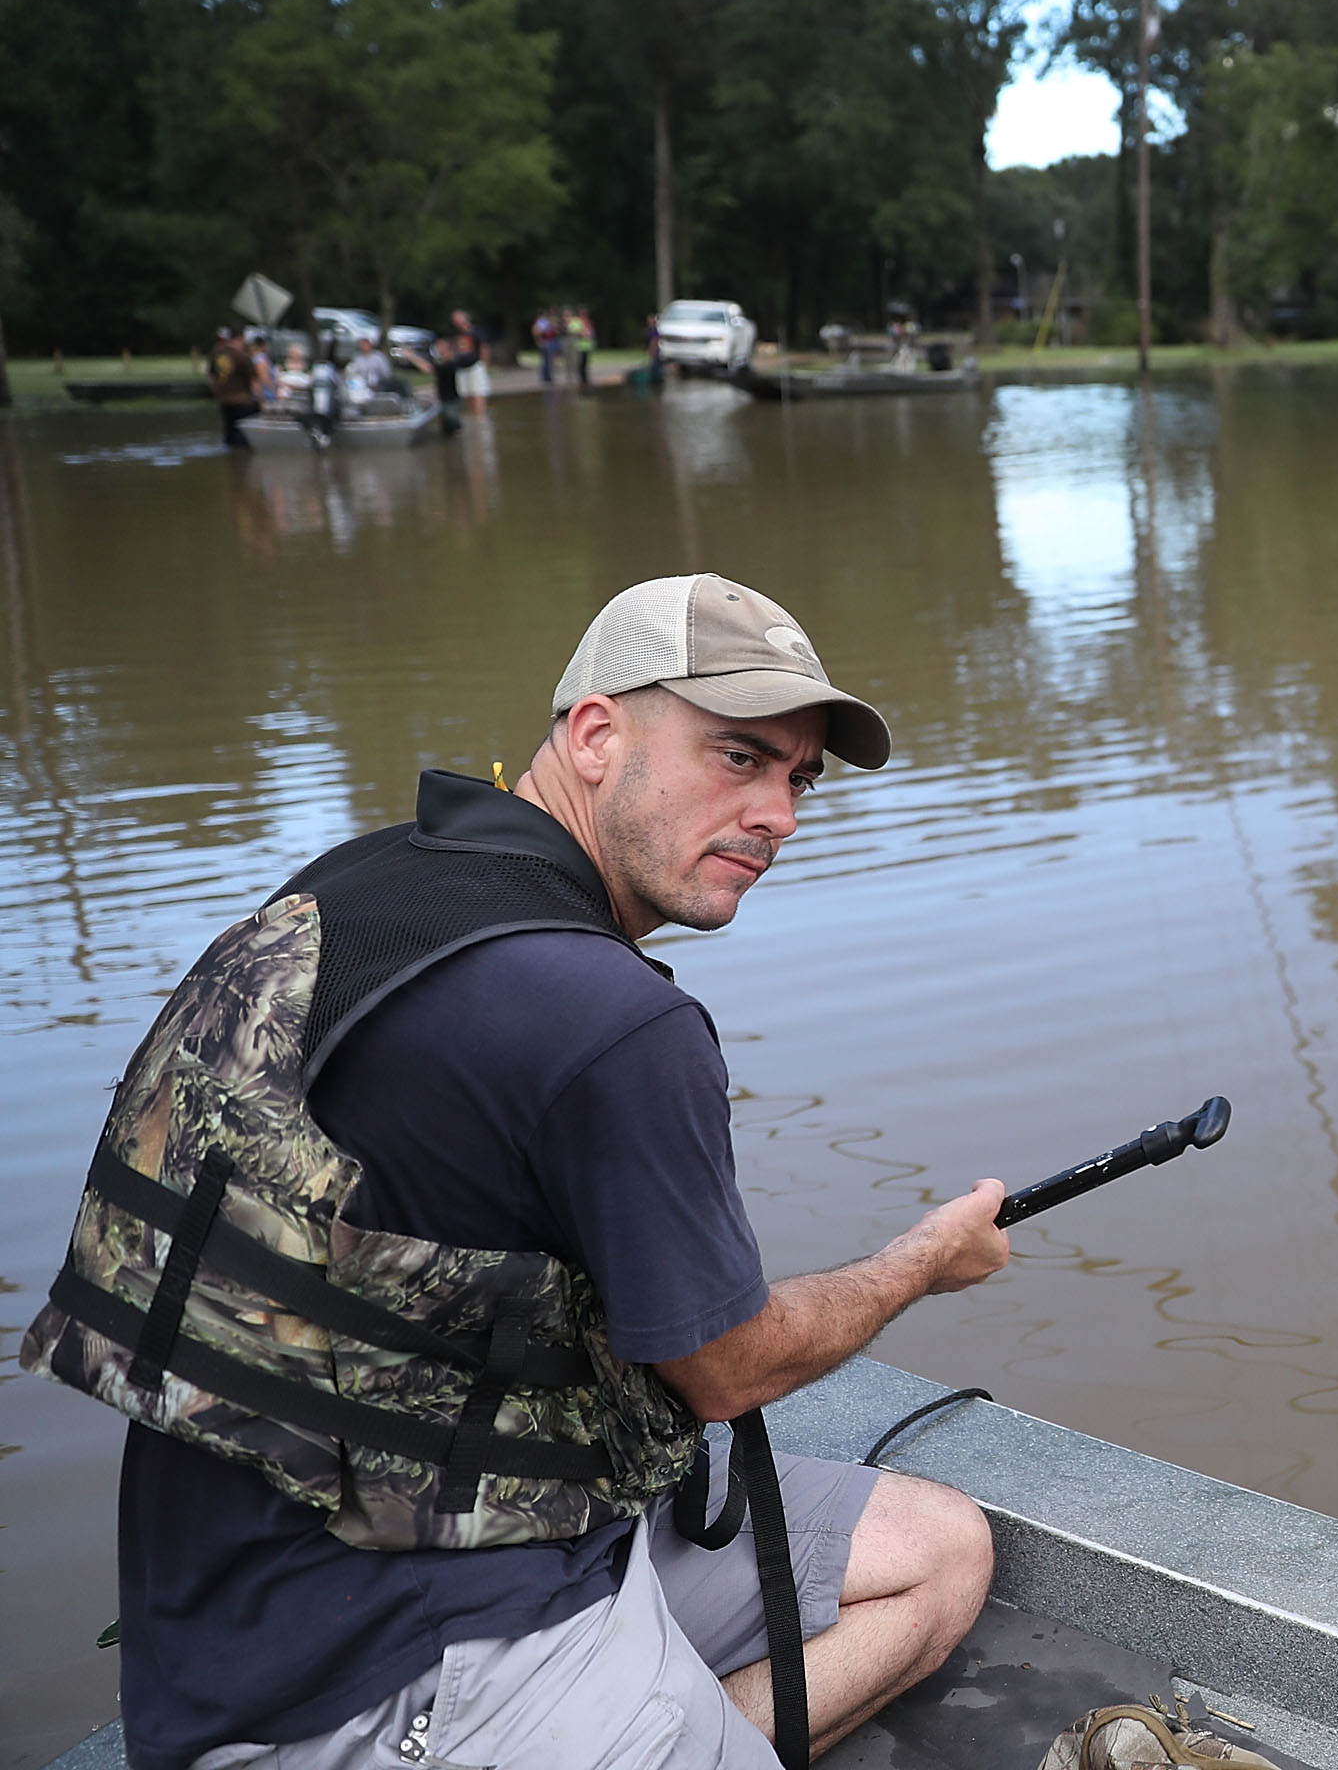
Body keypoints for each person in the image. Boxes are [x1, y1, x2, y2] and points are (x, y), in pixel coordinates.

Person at [22, 574, 1003, 1770]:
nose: (779, 813)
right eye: (737, 756)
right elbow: (729, 1366)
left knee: (940, 1553)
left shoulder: (359, 886)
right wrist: (921, 1263)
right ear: (595, 735)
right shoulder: (613, 1020)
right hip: (385, 1673)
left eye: (797, 777)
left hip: (262, 1607)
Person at [206, 326, 258, 448]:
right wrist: (260, 400)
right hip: (243, 401)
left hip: (224, 400)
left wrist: (216, 392)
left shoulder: (217, 353)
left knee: (229, 432)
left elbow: (210, 376)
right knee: (243, 436)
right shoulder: (243, 356)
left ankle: (230, 459)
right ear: (240, 338)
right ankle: (241, 462)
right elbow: (253, 382)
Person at [449, 309, 489, 408]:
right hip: (461, 368)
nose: (457, 322)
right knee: (466, 395)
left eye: (459, 319)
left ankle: (480, 419)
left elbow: (484, 348)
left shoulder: (476, 332)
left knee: (478, 393)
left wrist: (484, 365)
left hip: (475, 366)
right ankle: (472, 419)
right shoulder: (456, 335)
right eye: (455, 320)